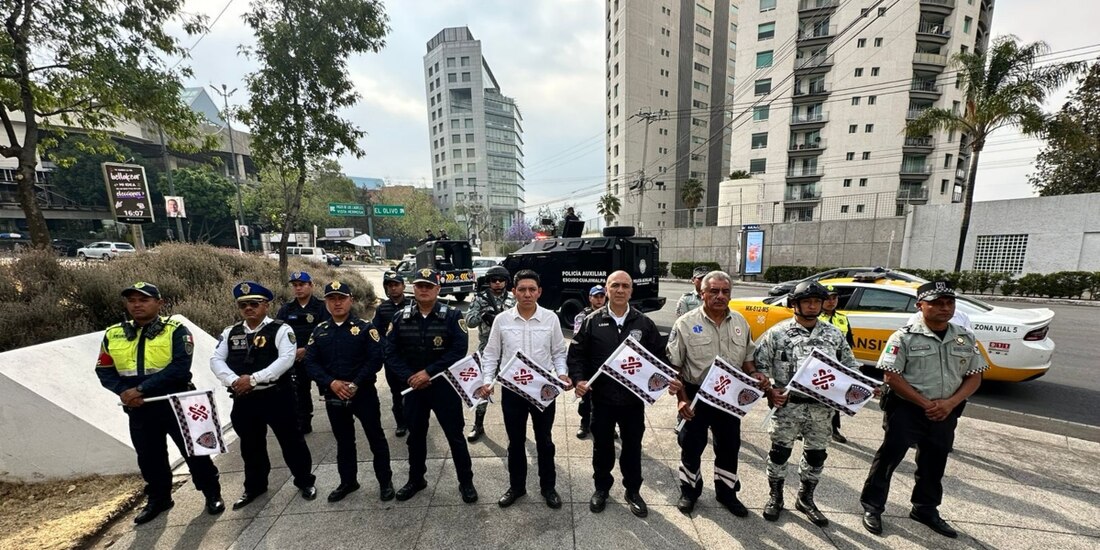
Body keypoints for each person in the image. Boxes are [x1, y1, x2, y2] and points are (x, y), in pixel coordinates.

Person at [860, 281, 986, 539]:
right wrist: (926, 404)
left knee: (934, 461)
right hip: (906, 409)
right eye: (937, 303)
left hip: (946, 411)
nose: (945, 308)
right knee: (888, 459)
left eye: (949, 303)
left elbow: (975, 376)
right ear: (920, 306)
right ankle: (872, 506)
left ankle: (925, 509)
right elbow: (891, 377)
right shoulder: (904, 337)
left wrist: (950, 404)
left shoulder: (964, 337)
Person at [96, 282, 223, 524]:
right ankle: (159, 498)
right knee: (149, 457)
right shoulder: (113, 333)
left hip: (175, 402)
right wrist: (124, 392)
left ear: (159, 303)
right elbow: (104, 370)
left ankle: (211, 493)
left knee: (195, 452)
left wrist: (141, 389)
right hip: (139, 407)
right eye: (132, 300)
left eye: (143, 300)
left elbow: (179, 367)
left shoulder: (176, 330)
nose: (137, 305)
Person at [753, 281, 862, 527]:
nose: (813, 306)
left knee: (816, 455)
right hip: (788, 406)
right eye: (807, 301)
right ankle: (776, 496)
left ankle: (806, 498)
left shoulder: (833, 334)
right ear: (795, 304)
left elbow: (850, 366)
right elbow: (760, 367)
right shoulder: (778, 333)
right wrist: (770, 390)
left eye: (817, 302)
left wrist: (862, 386)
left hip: (822, 409)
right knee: (779, 453)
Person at [667, 270, 770, 517]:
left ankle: (727, 493)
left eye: (725, 291)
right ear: (702, 293)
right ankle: (689, 491)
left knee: (729, 446)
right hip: (697, 395)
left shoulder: (740, 323)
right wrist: (681, 400)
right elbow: (675, 367)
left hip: (729, 396)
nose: (720, 296)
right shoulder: (685, 323)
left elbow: (747, 359)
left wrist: (755, 373)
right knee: (691, 446)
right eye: (714, 291)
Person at [568, 270, 667, 518]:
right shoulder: (592, 321)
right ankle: (602, 488)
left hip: (633, 401)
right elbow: (577, 355)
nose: (620, 290)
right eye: (615, 285)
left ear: (631, 291)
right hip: (601, 400)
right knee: (602, 447)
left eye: (625, 286)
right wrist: (579, 379)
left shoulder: (644, 323)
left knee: (632, 448)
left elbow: (659, 358)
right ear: (607, 289)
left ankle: (633, 491)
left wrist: (667, 379)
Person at [210, 281, 317, 510]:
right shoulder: (231, 332)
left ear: (266, 305)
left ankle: (305, 481)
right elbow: (216, 360)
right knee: (250, 446)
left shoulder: (281, 329)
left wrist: (253, 379)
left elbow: (285, 360)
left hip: (276, 396)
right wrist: (234, 381)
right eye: (243, 305)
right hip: (244, 398)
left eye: (254, 303)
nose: (248, 308)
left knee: (292, 441)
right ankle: (255, 487)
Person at [476, 269, 570, 509]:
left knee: (545, 441)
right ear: (514, 292)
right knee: (515, 441)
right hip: (513, 390)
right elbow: (491, 354)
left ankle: (548, 487)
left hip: (543, 389)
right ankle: (517, 487)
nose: (527, 294)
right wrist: (487, 380)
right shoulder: (502, 320)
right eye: (522, 289)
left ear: (539, 292)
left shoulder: (551, 318)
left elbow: (559, 352)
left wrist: (562, 374)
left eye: (532, 289)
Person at [384, 268, 478, 503]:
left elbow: (459, 350)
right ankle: (416, 479)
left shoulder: (453, 316)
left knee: (455, 436)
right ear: (413, 288)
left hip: (444, 387)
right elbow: (390, 352)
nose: (424, 290)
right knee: (415, 437)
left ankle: (466, 482)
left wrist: (428, 372)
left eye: (429, 286)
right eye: (420, 286)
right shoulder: (400, 317)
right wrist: (410, 376)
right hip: (414, 388)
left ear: (438, 289)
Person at [304, 281, 394, 502]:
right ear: (326, 302)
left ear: (350, 300)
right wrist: (331, 383)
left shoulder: (365, 328)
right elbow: (310, 362)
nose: (337, 303)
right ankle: (348, 482)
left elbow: (375, 359)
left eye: (341, 298)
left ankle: (385, 482)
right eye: (331, 299)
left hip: (363, 394)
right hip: (334, 395)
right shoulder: (320, 331)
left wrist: (355, 383)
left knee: (376, 438)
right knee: (344, 442)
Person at [463, 264, 516, 442]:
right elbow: (469, 321)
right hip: (487, 349)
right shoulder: (480, 298)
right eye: (494, 280)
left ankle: (516, 426)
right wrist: (484, 315)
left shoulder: (514, 298)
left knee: (515, 389)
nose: (498, 283)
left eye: (501, 280)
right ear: (489, 282)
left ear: (507, 282)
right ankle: (478, 424)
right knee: (483, 387)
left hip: (510, 349)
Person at [275, 271, 330, 434]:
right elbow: (279, 333)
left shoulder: (322, 307)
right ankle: (304, 423)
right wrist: (292, 352)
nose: (298, 288)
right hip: (296, 360)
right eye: (295, 285)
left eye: (302, 285)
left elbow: (328, 331)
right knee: (300, 393)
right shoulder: (286, 309)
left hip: (319, 358)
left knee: (329, 390)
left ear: (311, 286)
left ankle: (339, 422)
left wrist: (307, 349)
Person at [371, 270, 410, 437]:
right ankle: (401, 423)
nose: (393, 288)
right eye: (390, 285)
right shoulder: (382, 308)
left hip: (410, 357)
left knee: (412, 391)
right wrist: (386, 347)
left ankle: (414, 420)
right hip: (392, 360)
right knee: (396, 392)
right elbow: (376, 332)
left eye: (396, 284)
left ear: (403, 286)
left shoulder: (412, 305)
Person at [819, 284, 855, 444]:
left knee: (835, 398)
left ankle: (833, 428)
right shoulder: (815, 317)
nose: (831, 301)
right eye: (827, 298)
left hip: (837, 365)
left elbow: (849, 343)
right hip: (818, 366)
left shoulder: (842, 318)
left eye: (834, 298)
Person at [572, 285, 606, 439]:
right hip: (587, 363)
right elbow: (578, 341)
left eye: (601, 296)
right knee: (586, 398)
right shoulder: (582, 317)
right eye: (596, 296)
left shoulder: (611, 314)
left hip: (605, 363)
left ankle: (608, 426)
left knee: (607, 399)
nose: (599, 299)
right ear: (590, 298)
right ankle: (585, 424)